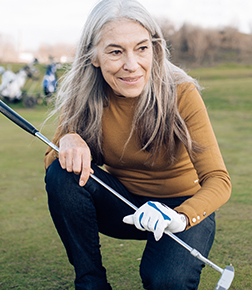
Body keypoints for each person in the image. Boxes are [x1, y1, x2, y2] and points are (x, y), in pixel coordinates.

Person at [42, 0, 232, 289]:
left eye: (141, 48)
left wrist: (179, 218)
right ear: (94, 56)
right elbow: (53, 165)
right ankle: (91, 282)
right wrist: (68, 139)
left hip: (181, 210)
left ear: (154, 49)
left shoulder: (181, 92)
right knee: (61, 172)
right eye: (116, 51)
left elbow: (219, 180)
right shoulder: (83, 96)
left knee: (165, 281)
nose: (131, 66)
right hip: (125, 206)